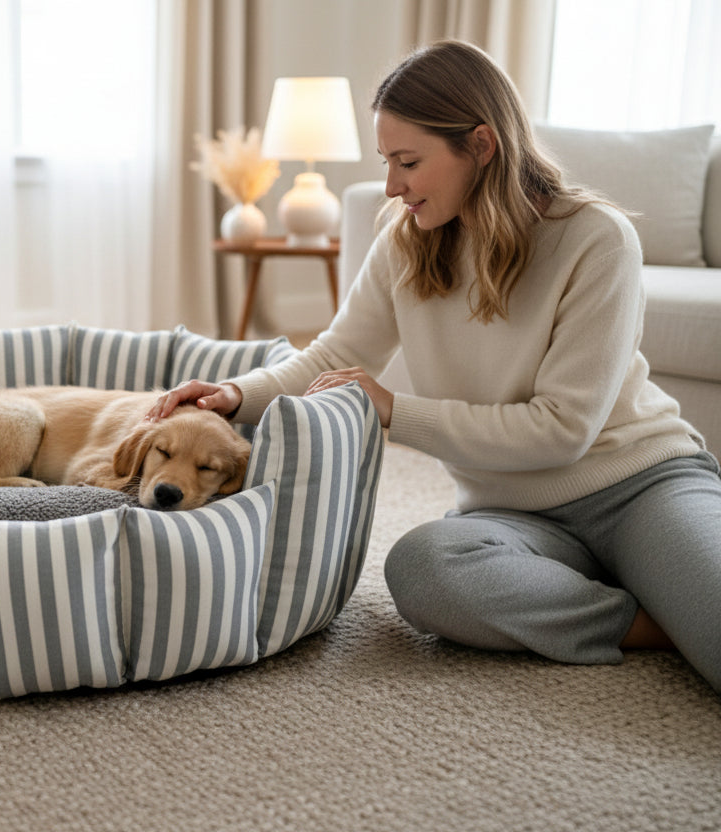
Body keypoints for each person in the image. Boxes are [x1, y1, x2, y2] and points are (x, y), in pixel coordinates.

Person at [149, 40, 721, 692]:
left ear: (481, 145)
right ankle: (649, 622)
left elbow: (565, 430)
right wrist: (232, 394)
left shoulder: (596, 238)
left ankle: (659, 592)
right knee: (424, 569)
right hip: (514, 515)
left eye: (409, 162)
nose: (393, 186)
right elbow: (335, 358)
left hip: (640, 486)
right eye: (387, 162)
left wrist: (396, 411)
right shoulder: (405, 239)